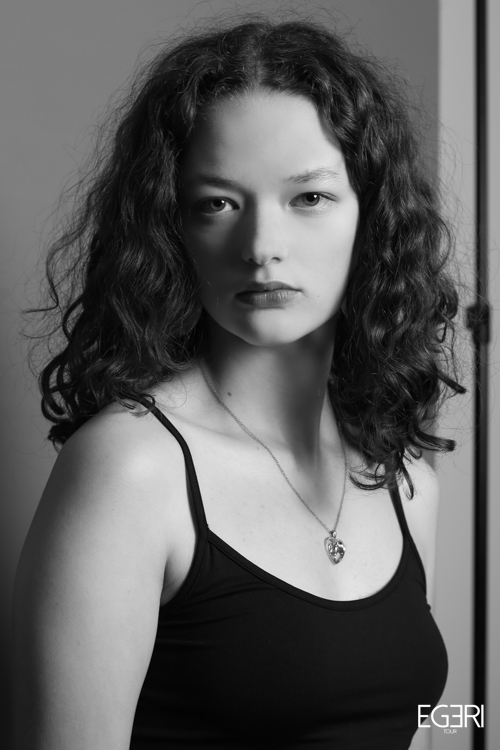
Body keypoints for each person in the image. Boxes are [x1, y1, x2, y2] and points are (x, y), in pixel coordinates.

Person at [14, 16, 465, 750]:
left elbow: (418, 726)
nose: (262, 247)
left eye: (308, 198)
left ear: (373, 219)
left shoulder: (407, 483)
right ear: (172, 228)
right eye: (217, 203)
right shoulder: (132, 469)